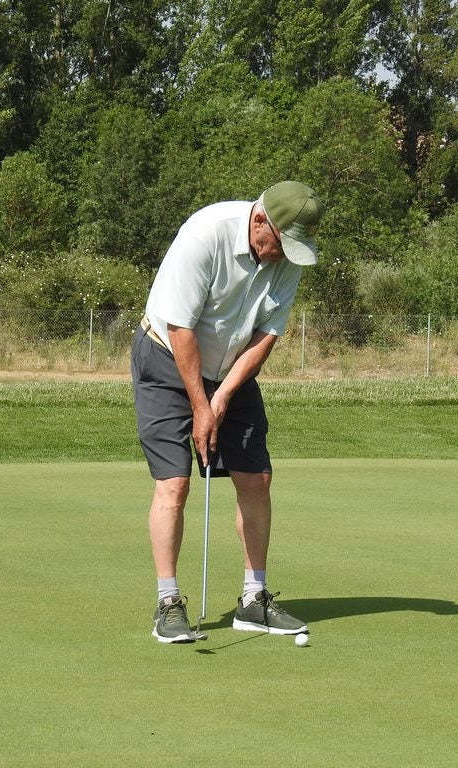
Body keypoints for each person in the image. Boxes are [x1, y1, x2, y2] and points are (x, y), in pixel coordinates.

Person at [131, 180, 325, 644]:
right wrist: (200, 405)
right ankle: (168, 602)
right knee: (174, 482)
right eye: (280, 244)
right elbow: (180, 327)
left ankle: (253, 600)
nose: (283, 256)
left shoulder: (288, 255)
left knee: (256, 477)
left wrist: (220, 400)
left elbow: (266, 336)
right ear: (261, 221)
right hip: (165, 355)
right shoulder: (205, 234)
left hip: (232, 365)